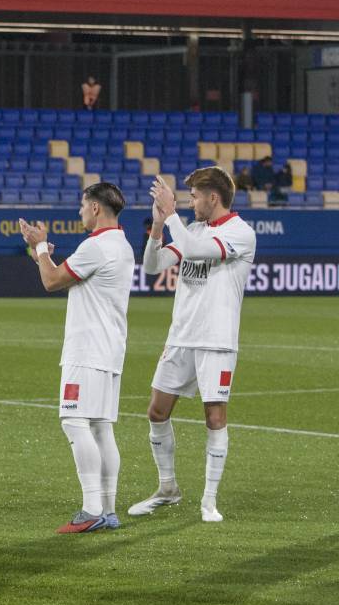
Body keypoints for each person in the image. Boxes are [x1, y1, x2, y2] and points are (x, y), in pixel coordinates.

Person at [131, 170, 256, 524]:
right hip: (180, 337)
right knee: (156, 411)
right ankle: (167, 488)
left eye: (194, 197)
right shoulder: (193, 229)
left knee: (214, 417)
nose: (190, 203)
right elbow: (153, 265)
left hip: (216, 340)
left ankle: (209, 501)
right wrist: (158, 224)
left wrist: (171, 214)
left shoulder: (240, 233)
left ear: (213, 198)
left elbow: (200, 251)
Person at [19, 183, 134, 534]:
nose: (80, 212)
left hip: (87, 349)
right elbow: (68, 277)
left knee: (74, 422)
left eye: (83, 206)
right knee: (100, 426)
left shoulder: (96, 247)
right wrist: (40, 253)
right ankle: (109, 510)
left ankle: (91, 508)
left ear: (97, 208)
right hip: (110, 348)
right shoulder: (122, 245)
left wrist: (40, 247)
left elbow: (52, 281)